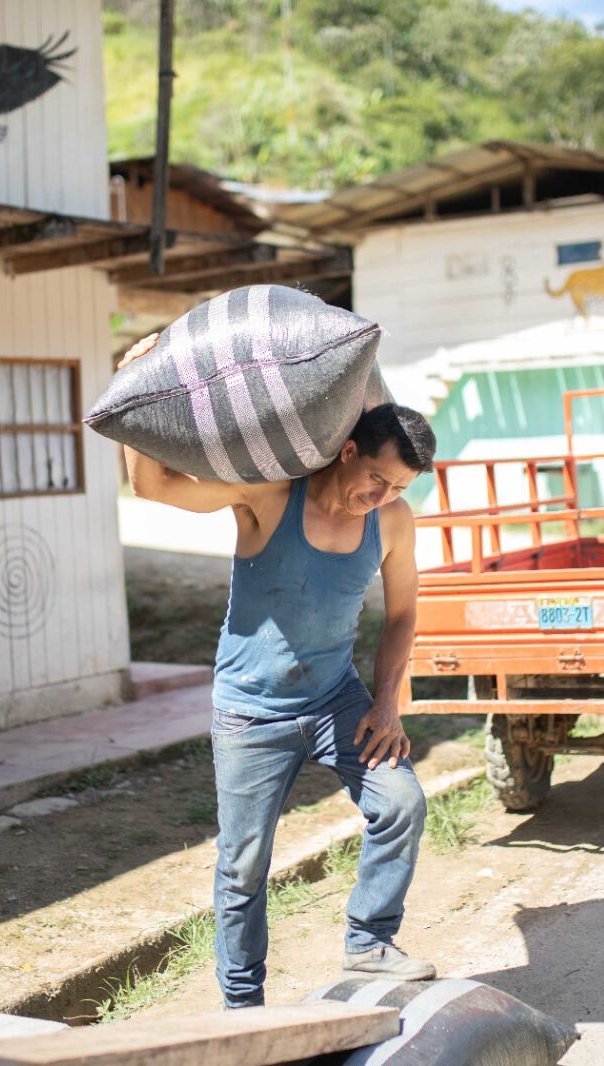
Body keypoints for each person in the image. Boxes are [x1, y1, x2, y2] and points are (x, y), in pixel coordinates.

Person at [118, 333, 437, 1009]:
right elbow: (152, 485)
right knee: (242, 867)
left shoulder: (393, 522)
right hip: (249, 713)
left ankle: (370, 940)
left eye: (398, 488)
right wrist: (134, 386)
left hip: (335, 701)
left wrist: (386, 703)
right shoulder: (268, 497)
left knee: (401, 802)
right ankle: (242, 1006)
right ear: (347, 451)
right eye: (377, 478)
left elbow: (404, 613)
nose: (382, 495)